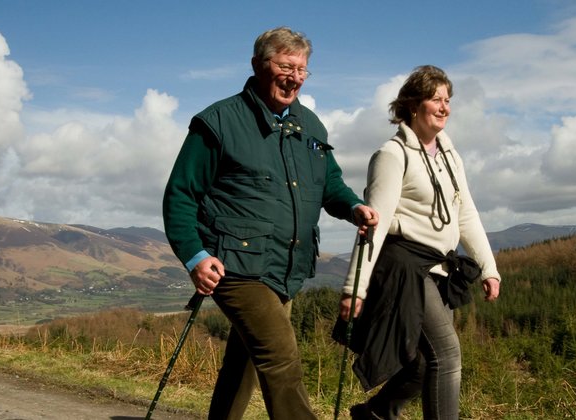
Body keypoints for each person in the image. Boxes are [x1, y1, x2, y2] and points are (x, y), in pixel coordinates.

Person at [162, 27, 378, 420]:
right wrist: (195, 256)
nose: (294, 76)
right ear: (258, 65)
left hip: (286, 267)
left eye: (302, 69)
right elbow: (180, 194)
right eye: (285, 65)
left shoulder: (309, 125)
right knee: (281, 356)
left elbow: (328, 183)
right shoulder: (219, 122)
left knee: (244, 363)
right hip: (234, 265)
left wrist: (353, 207)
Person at [338, 65, 501, 420]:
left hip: (439, 266)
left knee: (423, 364)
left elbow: (466, 213)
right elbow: (374, 225)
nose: (444, 107)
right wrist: (355, 288)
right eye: (435, 99)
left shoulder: (449, 155)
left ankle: (376, 413)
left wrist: (489, 268)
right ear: (413, 105)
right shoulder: (391, 155)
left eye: (447, 99)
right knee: (447, 354)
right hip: (403, 267)